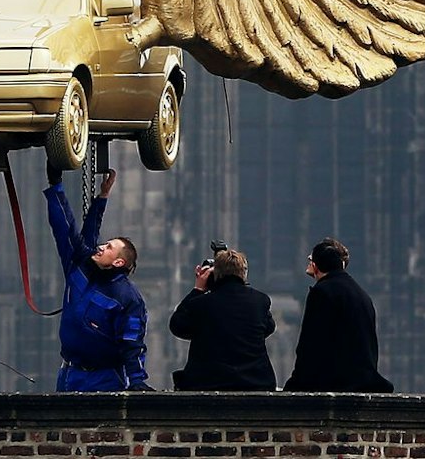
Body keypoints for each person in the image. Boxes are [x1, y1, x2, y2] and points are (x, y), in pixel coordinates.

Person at [44, 167, 149, 391]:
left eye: (109, 247)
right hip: (70, 374)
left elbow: (132, 342)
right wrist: (56, 185)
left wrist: (138, 382)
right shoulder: (80, 266)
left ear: (119, 262)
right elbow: (66, 228)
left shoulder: (127, 298)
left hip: (104, 378)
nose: (102, 247)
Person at [283, 237, 393, 393]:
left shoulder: (322, 293)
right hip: (362, 381)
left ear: (316, 265)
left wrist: (295, 385)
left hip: (336, 382)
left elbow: (311, 345)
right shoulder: (361, 294)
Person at [168, 248, 277, 391]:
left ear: (215, 274)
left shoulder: (200, 304)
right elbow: (269, 327)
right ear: (244, 273)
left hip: (208, 383)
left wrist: (197, 289)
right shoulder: (260, 300)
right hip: (256, 382)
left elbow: (177, 325)